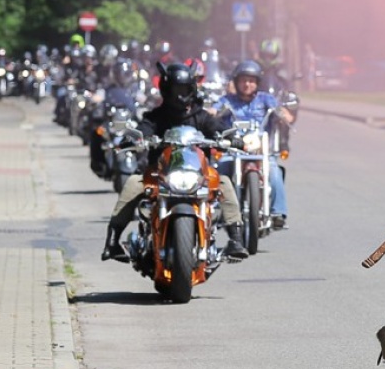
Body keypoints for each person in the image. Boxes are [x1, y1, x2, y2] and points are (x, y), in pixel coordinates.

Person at [101, 62, 249, 262]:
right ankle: (112, 242)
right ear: (166, 89)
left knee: (224, 183)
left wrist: (228, 137)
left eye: (184, 88)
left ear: (192, 88)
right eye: (175, 89)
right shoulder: (156, 116)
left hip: (199, 174)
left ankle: (236, 240)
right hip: (159, 173)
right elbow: (144, 128)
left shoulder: (201, 116)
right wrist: (134, 138)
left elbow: (217, 128)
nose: (180, 94)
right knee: (133, 184)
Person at [217, 60, 295, 229]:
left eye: (251, 81)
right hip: (233, 147)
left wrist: (281, 114)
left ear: (257, 83)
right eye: (243, 80)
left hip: (260, 148)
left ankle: (278, 212)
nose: (247, 84)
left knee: (274, 171)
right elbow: (212, 113)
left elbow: (286, 115)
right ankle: (216, 210)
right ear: (236, 82)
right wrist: (214, 113)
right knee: (220, 171)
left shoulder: (266, 99)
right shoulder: (227, 100)